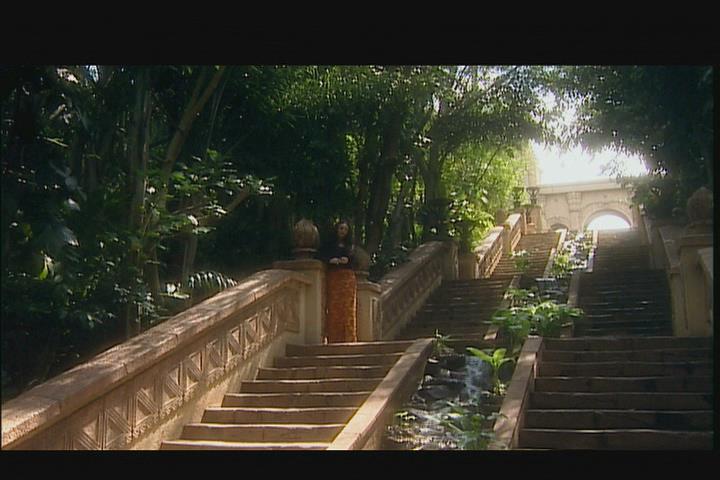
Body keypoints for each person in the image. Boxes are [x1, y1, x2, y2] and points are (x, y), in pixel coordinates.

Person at [319, 220, 357, 343]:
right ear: (337, 229)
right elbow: (321, 256)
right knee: (334, 308)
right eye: (341, 228)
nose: (343, 231)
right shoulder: (329, 245)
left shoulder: (350, 246)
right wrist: (331, 260)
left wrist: (347, 260)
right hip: (334, 277)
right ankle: (334, 339)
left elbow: (355, 262)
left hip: (347, 278)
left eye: (345, 229)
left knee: (347, 309)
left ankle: (349, 338)